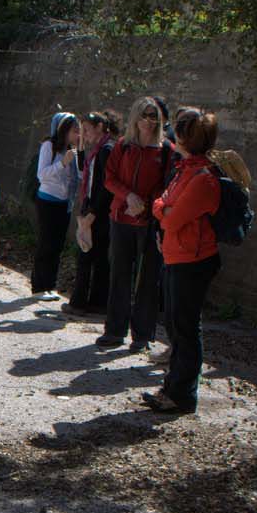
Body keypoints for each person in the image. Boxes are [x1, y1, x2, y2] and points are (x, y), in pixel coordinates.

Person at [145, 108, 232, 413]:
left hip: (192, 261)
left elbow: (170, 217)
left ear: (183, 138)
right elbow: (161, 204)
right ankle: (173, 387)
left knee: (184, 328)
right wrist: (164, 209)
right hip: (176, 256)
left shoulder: (203, 178)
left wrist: (164, 209)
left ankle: (181, 395)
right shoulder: (186, 170)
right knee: (174, 324)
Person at [98, 96, 171, 353]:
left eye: (154, 117)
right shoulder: (123, 146)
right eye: (145, 115)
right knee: (119, 274)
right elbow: (109, 177)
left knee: (148, 278)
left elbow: (167, 185)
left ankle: (142, 335)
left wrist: (146, 203)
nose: (149, 121)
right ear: (136, 118)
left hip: (149, 221)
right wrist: (127, 196)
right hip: (121, 216)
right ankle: (115, 330)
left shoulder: (166, 150)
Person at [65, 110, 117, 316]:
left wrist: (92, 213)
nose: (84, 135)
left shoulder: (106, 150)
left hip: (98, 212)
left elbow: (105, 186)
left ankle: (80, 302)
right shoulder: (96, 150)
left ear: (99, 128)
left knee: (87, 256)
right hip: (93, 208)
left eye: (87, 130)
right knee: (95, 256)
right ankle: (96, 301)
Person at [31, 112, 81, 300]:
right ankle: (39, 287)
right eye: (73, 130)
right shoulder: (49, 146)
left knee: (57, 246)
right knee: (46, 244)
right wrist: (62, 163)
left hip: (64, 202)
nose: (77, 134)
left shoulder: (73, 150)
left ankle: (49, 285)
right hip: (47, 201)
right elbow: (42, 175)